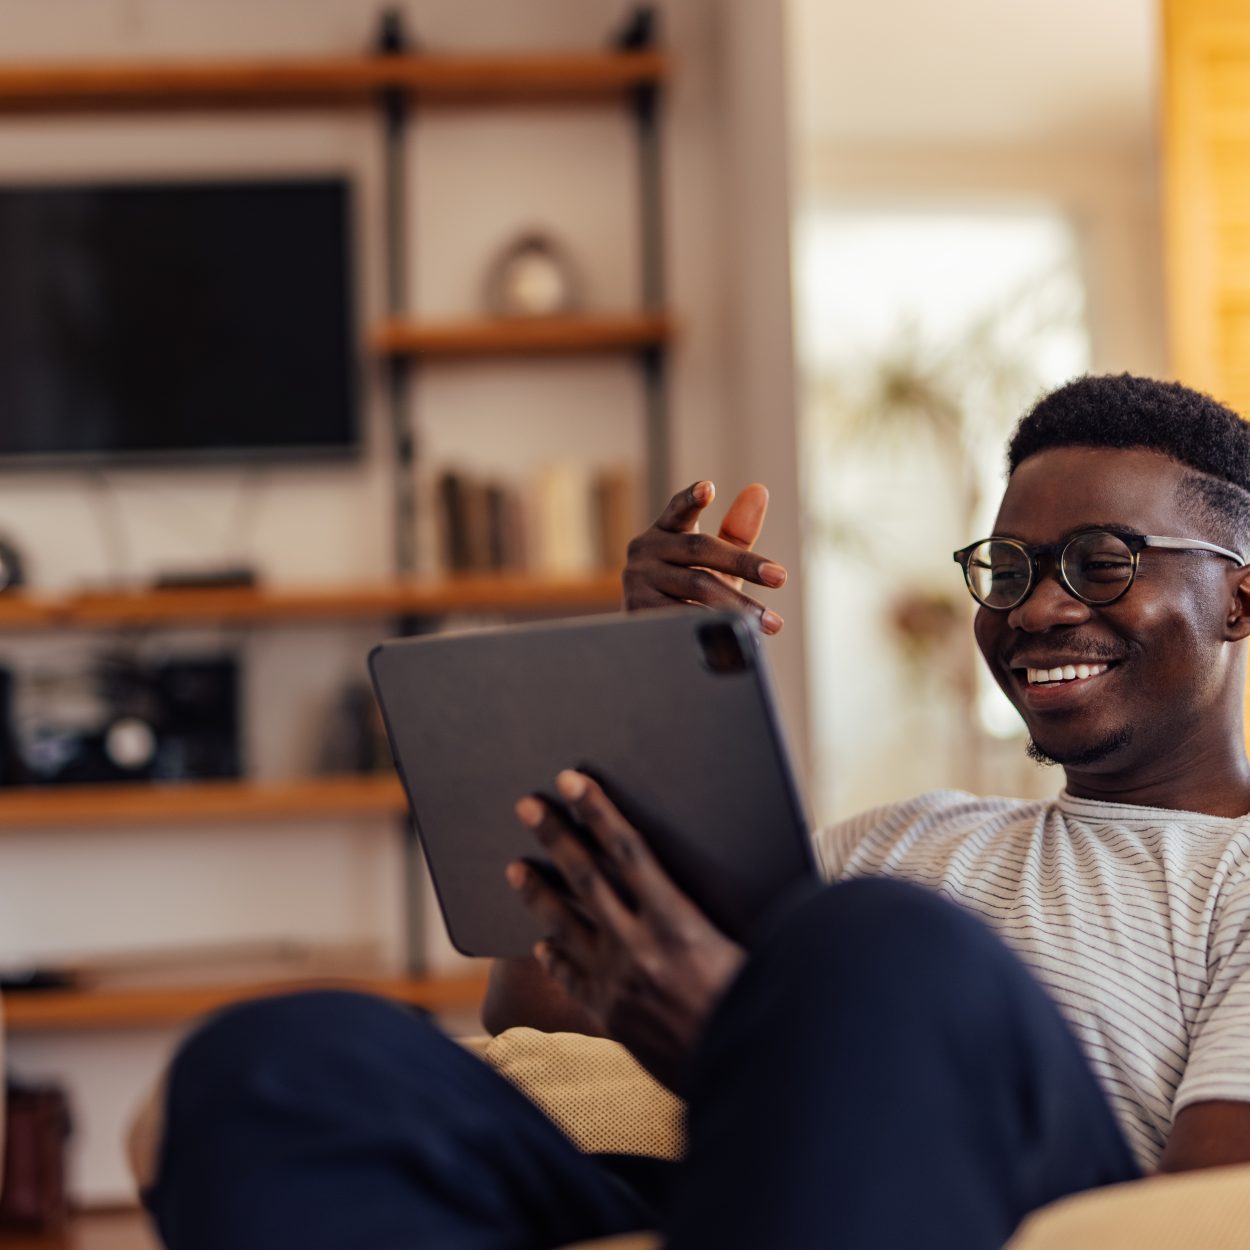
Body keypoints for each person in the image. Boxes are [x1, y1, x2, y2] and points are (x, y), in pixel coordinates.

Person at [142, 374, 1250, 1250]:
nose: (1038, 606)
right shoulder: (902, 837)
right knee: (280, 1063)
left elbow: (1205, 1213)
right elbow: (541, 1013)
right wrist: (634, 680)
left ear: (1239, 593)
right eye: (1006, 569)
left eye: (1101, 564)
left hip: (984, 1206)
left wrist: (745, 1044)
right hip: (712, 1191)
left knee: (877, 945)